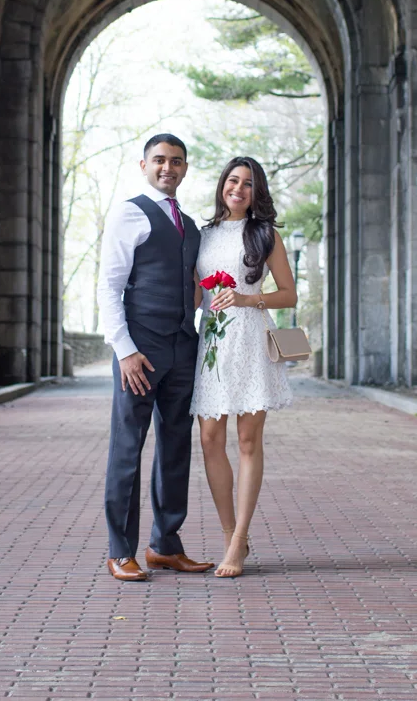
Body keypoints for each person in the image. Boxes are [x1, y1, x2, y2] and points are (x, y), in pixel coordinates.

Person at [97, 133, 215, 581]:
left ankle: (165, 544)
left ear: (185, 168)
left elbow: (193, 286)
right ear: (144, 165)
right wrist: (124, 350)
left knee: (176, 445)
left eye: (177, 161)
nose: (169, 167)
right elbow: (109, 286)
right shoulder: (129, 212)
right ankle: (120, 550)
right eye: (160, 160)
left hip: (183, 344)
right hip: (141, 347)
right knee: (128, 445)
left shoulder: (190, 224)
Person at [191, 156, 297, 578]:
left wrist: (246, 299)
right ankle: (228, 531)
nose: (238, 189)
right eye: (232, 181)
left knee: (249, 441)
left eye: (248, 184)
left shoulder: (265, 234)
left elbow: (288, 294)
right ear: (222, 185)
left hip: (251, 339)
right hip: (213, 343)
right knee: (209, 439)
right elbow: (195, 294)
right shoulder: (202, 236)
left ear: (257, 192)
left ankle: (238, 542)